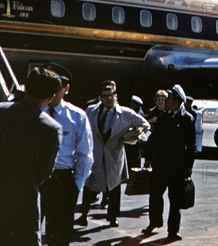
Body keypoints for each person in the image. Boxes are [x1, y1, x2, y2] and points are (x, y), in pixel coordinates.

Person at [0, 67, 63, 246]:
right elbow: (44, 172)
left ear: (26, 87)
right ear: (51, 97)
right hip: (24, 199)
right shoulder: (51, 128)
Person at [75, 81, 150, 228]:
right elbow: (81, 127)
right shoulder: (91, 111)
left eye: (111, 95)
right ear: (100, 97)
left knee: (114, 189)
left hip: (114, 157)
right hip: (96, 155)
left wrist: (131, 137)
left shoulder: (126, 113)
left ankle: (113, 217)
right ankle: (83, 215)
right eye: (105, 96)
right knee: (90, 186)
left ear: (116, 96)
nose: (108, 98)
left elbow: (145, 125)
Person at [40, 64, 93, 246]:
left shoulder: (77, 116)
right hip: (35, 177)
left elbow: (84, 154)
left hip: (62, 180)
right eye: (50, 87)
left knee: (59, 236)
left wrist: (76, 186)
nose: (53, 92)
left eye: (58, 87)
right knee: (29, 233)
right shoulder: (35, 112)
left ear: (67, 88)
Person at [143, 84, 195, 241]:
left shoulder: (187, 119)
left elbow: (191, 144)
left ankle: (173, 231)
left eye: (170, 98)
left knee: (175, 199)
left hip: (177, 167)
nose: (167, 100)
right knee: (155, 194)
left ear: (177, 100)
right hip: (160, 164)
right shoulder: (164, 116)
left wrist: (189, 165)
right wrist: (148, 158)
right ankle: (154, 222)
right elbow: (154, 139)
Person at [125, 95, 145, 169]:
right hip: (129, 144)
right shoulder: (132, 113)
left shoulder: (138, 114)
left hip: (134, 144)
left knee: (134, 166)